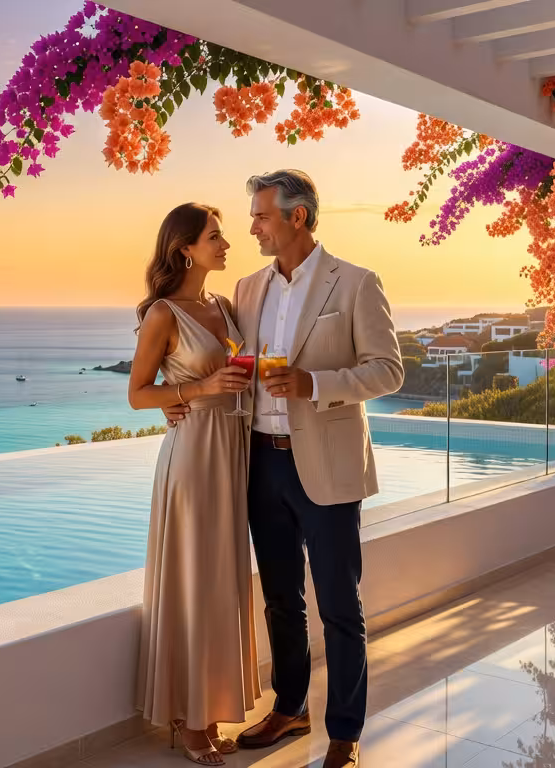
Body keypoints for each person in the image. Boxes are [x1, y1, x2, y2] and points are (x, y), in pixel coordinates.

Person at [163, 171, 402, 768]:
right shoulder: (245, 289)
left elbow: (388, 371)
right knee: (279, 599)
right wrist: (182, 398)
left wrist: (313, 383)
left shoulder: (356, 283)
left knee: (340, 606)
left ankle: (344, 732)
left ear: (297, 217)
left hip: (325, 466)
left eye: (262, 217)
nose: (251, 228)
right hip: (258, 464)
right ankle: (290, 706)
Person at [128, 203, 261, 765]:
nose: (226, 244)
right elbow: (137, 393)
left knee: (221, 579)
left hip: (232, 450)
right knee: (193, 580)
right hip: (193, 456)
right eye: (215, 236)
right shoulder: (163, 314)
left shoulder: (224, 306)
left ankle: (208, 711)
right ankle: (189, 722)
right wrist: (195, 392)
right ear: (186, 247)